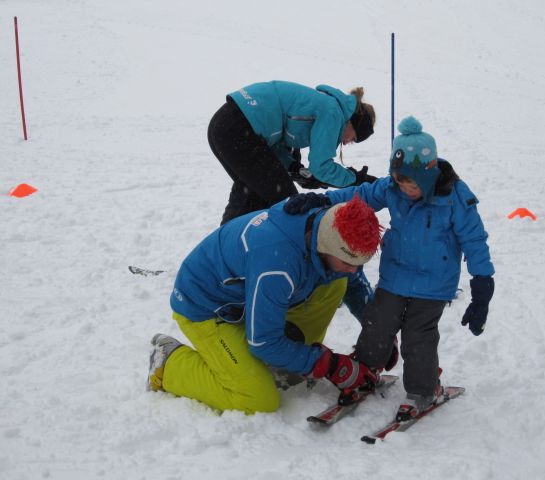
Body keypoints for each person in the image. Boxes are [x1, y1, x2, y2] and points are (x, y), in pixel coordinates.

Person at [284, 116, 495, 421]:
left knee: (417, 335)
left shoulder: (456, 198)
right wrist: (322, 199)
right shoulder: (392, 187)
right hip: (395, 275)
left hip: (434, 284)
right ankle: (366, 371)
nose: (405, 189)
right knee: (376, 322)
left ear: (428, 175)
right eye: (400, 182)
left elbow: (475, 240)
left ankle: (424, 389)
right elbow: (359, 195)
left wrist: (482, 285)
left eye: (411, 184)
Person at [146, 196, 383, 414]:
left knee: (337, 283)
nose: (355, 269)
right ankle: (169, 363)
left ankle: (289, 361)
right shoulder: (277, 264)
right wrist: (329, 365)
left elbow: (353, 279)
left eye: (360, 262)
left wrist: (377, 332)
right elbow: (263, 342)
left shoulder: (326, 226)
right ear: (328, 246)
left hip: (249, 298)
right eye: (348, 261)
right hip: (206, 306)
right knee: (257, 400)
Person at [208, 80, 378, 225]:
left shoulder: (324, 103)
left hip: (224, 124)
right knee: (289, 204)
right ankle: (232, 250)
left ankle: (222, 250)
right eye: (354, 138)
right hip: (239, 130)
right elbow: (322, 167)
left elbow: (273, 147)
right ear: (352, 123)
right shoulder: (333, 112)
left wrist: (294, 167)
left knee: (253, 193)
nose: (348, 142)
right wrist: (356, 179)